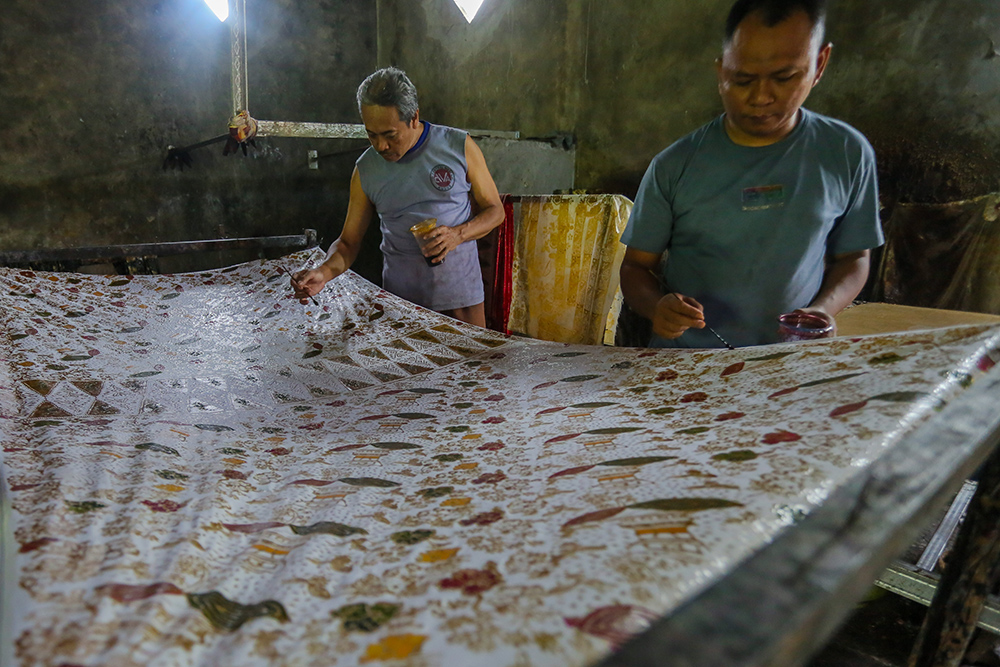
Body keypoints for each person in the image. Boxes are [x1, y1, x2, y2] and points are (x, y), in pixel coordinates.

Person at [619, 0, 883, 348]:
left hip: (789, 360)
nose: (760, 97)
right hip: (687, 362)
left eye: (784, 77)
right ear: (721, 72)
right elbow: (635, 268)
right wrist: (657, 308)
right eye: (742, 79)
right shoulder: (674, 165)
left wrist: (823, 310)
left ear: (819, 65)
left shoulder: (846, 152)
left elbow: (854, 257)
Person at [291, 67, 504, 327]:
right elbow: (348, 243)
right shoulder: (366, 169)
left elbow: (495, 210)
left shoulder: (458, 146)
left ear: (414, 118)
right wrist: (323, 273)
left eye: (390, 135)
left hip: (461, 299)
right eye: (372, 134)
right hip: (401, 305)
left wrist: (457, 234)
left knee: (468, 355)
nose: (381, 146)